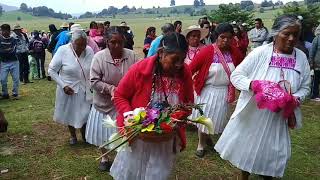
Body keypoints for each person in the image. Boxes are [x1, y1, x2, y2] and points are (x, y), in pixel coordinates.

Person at [214, 15, 311, 180]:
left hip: (279, 117)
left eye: (296, 34)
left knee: (274, 150)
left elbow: (306, 87)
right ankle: (245, 175)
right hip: (255, 113)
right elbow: (236, 76)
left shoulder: (300, 57)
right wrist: (255, 85)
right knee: (249, 147)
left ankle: (267, 174)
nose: (291, 38)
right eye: (287, 33)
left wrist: (294, 99)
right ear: (275, 33)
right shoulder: (260, 53)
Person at [110, 33, 194, 180]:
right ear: (161, 53)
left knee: (157, 171)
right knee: (134, 169)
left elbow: (188, 103)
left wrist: (177, 118)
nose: (179, 64)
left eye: (183, 59)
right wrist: (131, 117)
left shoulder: (184, 72)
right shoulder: (140, 69)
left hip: (165, 137)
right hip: (139, 135)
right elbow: (120, 95)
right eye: (175, 59)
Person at [86, 26, 138, 171]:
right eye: (113, 42)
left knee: (123, 133)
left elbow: (139, 77)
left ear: (124, 41)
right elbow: (94, 81)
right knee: (103, 133)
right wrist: (111, 89)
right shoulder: (99, 57)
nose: (117, 46)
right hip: (104, 103)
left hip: (126, 104)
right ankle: (104, 157)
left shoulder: (132, 56)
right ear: (107, 42)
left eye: (120, 42)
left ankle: (122, 159)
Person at [189, 23, 242, 158]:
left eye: (229, 38)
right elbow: (190, 69)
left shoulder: (234, 52)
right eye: (222, 37)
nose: (225, 41)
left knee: (217, 118)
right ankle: (201, 143)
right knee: (205, 118)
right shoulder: (206, 52)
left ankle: (209, 138)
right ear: (216, 37)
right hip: (208, 91)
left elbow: (242, 69)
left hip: (224, 91)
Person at [48, 30, 94, 145]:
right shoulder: (63, 50)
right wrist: (63, 85)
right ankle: (73, 136)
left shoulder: (89, 51)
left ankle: (85, 135)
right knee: (70, 112)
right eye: (79, 45)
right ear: (72, 42)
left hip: (85, 88)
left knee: (85, 113)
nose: (82, 47)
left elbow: (94, 68)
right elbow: (52, 70)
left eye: (84, 44)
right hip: (68, 89)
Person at [0, 24, 19, 99]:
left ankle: (15, 93)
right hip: (4, 62)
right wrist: (7, 50)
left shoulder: (13, 39)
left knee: (16, 79)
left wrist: (4, 50)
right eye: (2, 30)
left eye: (5, 30)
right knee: (3, 79)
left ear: (9, 31)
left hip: (14, 61)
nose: (3, 32)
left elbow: (13, 50)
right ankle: (5, 93)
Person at [310, 24, 320, 101]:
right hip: (318, 63)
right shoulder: (317, 38)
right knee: (316, 79)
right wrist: (311, 62)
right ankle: (314, 95)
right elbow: (312, 51)